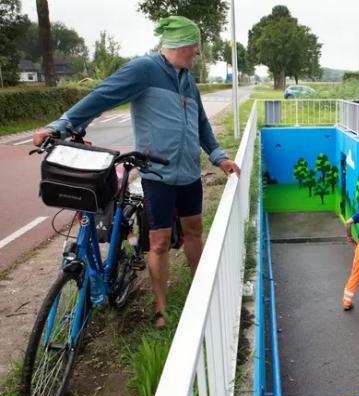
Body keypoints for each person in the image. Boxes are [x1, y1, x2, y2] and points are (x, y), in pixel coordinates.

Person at [32, 16, 240, 327]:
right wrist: (60, 125)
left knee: (195, 231)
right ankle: (160, 308)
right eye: (194, 47)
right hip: (157, 173)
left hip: (189, 173)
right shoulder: (145, 70)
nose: (197, 54)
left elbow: (201, 125)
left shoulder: (188, 81)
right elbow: (103, 95)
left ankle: (201, 293)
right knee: (158, 241)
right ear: (181, 45)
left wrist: (218, 156)